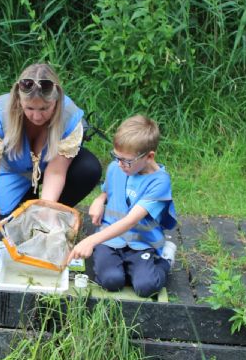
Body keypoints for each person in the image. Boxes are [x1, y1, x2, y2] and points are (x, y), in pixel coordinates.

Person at [0, 63, 102, 228]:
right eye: (29, 108)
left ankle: (54, 210)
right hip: (11, 171)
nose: (36, 117)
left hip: (50, 167)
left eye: (44, 108)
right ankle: (28, 200)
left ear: (56, 101)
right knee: (6, 221)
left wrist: (45, 211)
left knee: (88, 168)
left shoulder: (70, 116)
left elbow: (56, 172)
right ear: (18, 99)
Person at [67, 115, 177, 298]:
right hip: (111, 239)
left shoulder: (159, 183)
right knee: (111, 281)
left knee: (146, 287)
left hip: (142, 242)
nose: (119, 164)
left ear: (149, 156)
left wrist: (90, 240)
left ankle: (165, 260)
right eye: (116, 157)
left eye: (126, 160)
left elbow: (130, 221)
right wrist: (100, 199)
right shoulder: (116, 167)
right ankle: (127, 270)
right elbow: (109, 190)